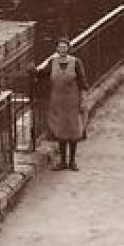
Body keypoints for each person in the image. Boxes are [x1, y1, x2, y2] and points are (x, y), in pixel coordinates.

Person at [34, 39, 89, 170]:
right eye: (60, 47)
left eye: (65, 47)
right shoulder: (52, 62)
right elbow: (43, 75)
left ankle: (72, 161)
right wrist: (33, 71)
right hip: (58, 101)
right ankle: (62, 161)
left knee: (74, 130)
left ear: (68, 49)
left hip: (72, 101)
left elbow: (83, 82)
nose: (62, 50)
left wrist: (83, 100)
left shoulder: (76, 62)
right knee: (60, 130)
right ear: (57, 49)